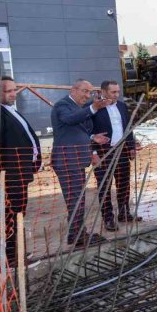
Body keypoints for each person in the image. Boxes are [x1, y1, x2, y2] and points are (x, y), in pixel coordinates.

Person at [0, 76, 42, 266]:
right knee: (11, 217)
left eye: (14, 89)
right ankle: (12, 259)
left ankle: (17, 252)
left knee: (18, 214)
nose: (14, 94)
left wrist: (33, 159)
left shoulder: (4, 109)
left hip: (18, 174)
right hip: (8, 178)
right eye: (9, 91)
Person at [50, 79, 110, 246]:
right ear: (73, 90)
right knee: (75, 199)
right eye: (84, 91)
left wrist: (92, 138)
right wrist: (94, 107)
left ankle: (76, 234)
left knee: (77, 198)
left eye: (89, 92)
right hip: (68, 160)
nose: (87, 95)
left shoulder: (78, 108)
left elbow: (77, 130)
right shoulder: (62, 106)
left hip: (76, 159)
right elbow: (70, 120)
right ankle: (77, 236)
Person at [91, 80, 142, 231]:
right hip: (103, 154)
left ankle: (124, 213)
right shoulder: (94, 109)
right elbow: (88, 132)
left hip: (122, 151)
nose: (117, 95)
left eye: (118, 92)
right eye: (113, 92)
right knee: (105, 187)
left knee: (123, 184)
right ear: (103, 92)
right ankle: (108, 218)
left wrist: (131, 146)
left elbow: (128, 127)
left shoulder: (121, 106)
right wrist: (93, 152)